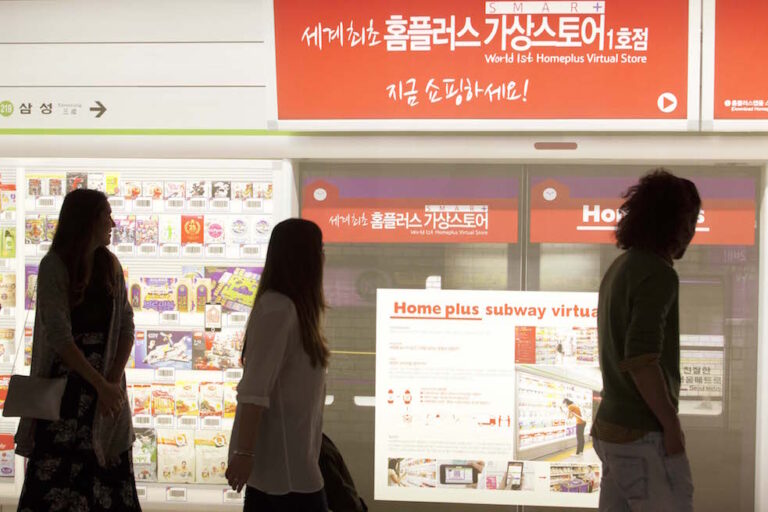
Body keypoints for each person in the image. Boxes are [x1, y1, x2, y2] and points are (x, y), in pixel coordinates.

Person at [15, 189, 140, 510]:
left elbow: (126, 324)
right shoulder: (54, 266)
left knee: (105, 478)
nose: (112, 222)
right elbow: (59, 336)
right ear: (87, 220)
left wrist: (110, 385)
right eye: (106, 215)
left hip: (104, 395)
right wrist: (103, 386)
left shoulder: (110, 265)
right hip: (65, 395)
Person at [592, 169, 698, 511]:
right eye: (691, 218)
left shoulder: (620, 268)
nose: (692, 230)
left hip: (609, 429)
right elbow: (641, 359)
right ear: (676, 222)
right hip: (642, 433)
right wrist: (671, 426)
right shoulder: (658, 273)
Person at [226, 218, 330, 511]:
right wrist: (244, 453)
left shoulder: (294, 310)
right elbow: (254, 391)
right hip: (282, 471)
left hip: (292, 464)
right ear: (305, 257)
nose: (324, 256)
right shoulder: (278, 309)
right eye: (320, 248)